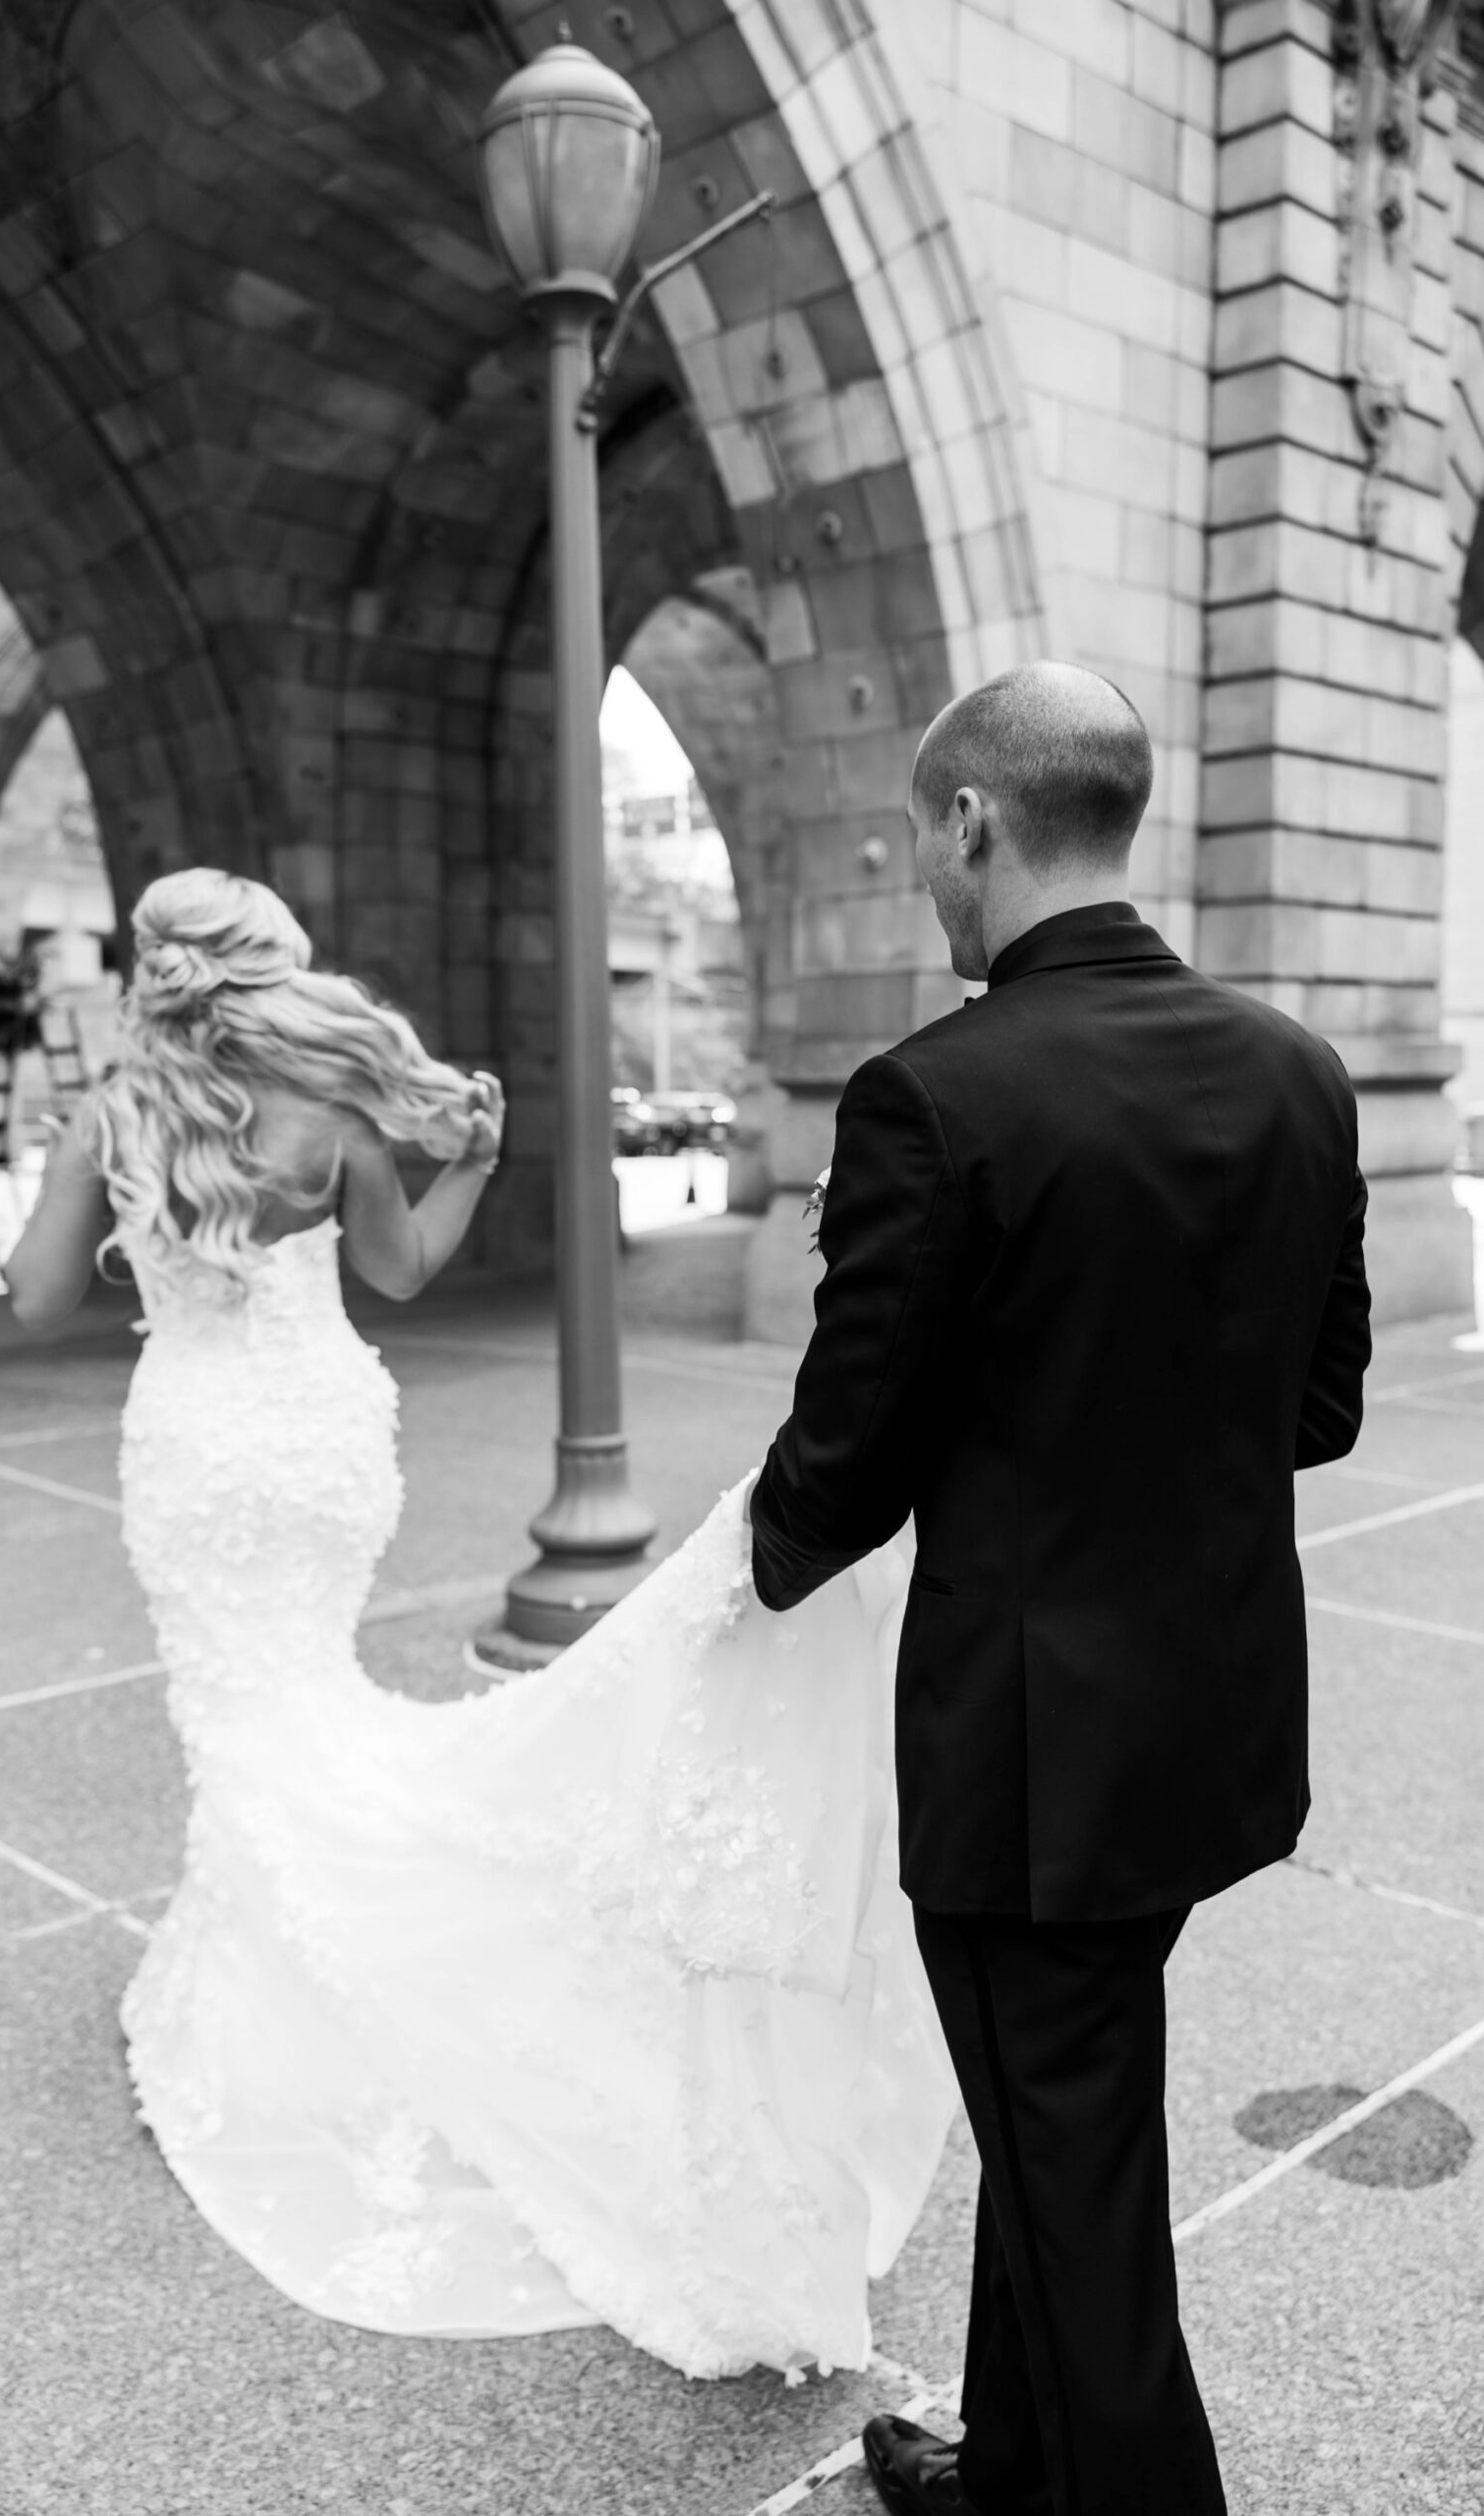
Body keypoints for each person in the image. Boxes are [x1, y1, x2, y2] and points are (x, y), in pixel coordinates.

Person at [3, 866, 959, 2380]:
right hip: (320, 1441)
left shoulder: (111, 1117)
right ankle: (283, 1950)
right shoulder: (327, 1115)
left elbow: (37, 1302)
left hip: (194, 1445)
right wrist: (473, 1166)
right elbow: (400, 1271)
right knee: (299, 1695)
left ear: (154, 973)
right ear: (268, 974)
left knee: (243, 1713)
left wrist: (73, 1184)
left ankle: (275, 2000)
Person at [748, 662, 1371, 2514]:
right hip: (1209, 1721)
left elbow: (850, 1453)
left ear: (973, 823)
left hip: (1030, 1762)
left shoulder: (934, 1096)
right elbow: (1316, 1412)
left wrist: (747, 1572)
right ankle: (1009, 2466)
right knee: (1063, 2122)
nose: (927, 879)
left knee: (1072, 2161)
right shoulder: (1297, 1069)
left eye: (922, 842)